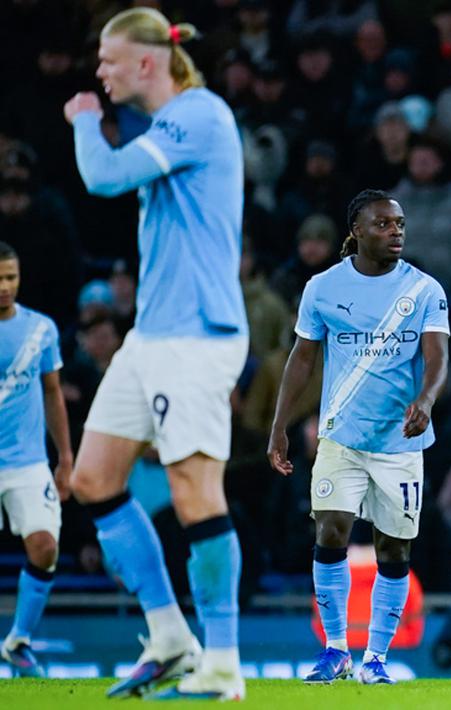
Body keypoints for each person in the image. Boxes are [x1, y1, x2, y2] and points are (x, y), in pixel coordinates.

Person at [64, 8, 248, 700]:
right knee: (93, 479)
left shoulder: (197, 115)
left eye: (109, 61)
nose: (100, 74)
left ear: (147, 62)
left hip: (196, 337)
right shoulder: (171, 124)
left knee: (195, 492)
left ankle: (224, 664)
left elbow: (104, 177)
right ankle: (170, 637)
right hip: (151, 337)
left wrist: (85, 118)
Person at [267, 190, 449, 685]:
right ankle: (335, 650)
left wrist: (427, 401)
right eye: (385, 225)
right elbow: (302, 358)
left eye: (400, 224)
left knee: (393, 550)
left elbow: (437, 358)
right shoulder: (322, 288)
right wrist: (279, 424)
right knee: (330, 530)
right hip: (340, 437)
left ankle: (376, 659)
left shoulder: (425, 290)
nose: (397, 233)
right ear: (358, 232)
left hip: (399, 444)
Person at [0, 243, 72, 677]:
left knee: (44, 547)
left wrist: (64, 458)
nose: (4, 287)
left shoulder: (40, 330)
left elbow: (52, 393)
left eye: (10, 277)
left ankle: (18, 642)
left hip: (26, 461)